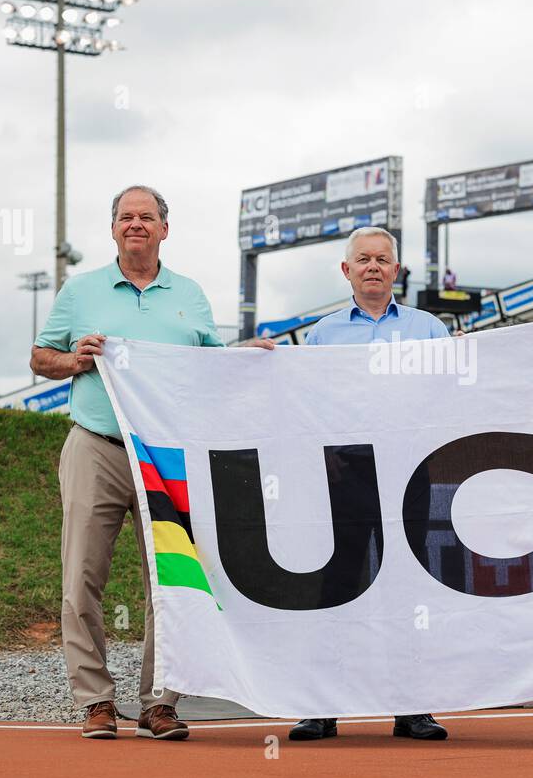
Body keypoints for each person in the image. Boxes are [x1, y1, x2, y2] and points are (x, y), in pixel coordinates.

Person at [31, 185, 275, 741]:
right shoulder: (81, 291)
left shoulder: (187, 294)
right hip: (97, 446)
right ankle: (95, 700)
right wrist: (74, 360)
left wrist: (246, 360)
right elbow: (39, 357)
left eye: (146, 217)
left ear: (165, 229)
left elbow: (210, 366)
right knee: (80, 579)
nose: (135, 224)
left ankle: (158, 703)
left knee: (169, 581)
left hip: (166, 455)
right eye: (125, 217)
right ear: (113, 228)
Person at [289, 226, 451, 742]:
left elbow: (458, 396)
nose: (374, 267)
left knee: (407, 586)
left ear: (396, 270)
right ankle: (322, 707)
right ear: (347, 270)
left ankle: (411, 707)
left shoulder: (430, 329)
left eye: (383, 259)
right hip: (347, 472)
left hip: (411, 472)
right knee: (337, 584)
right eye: (364, 259)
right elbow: (303, 401)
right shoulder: (323, 334)